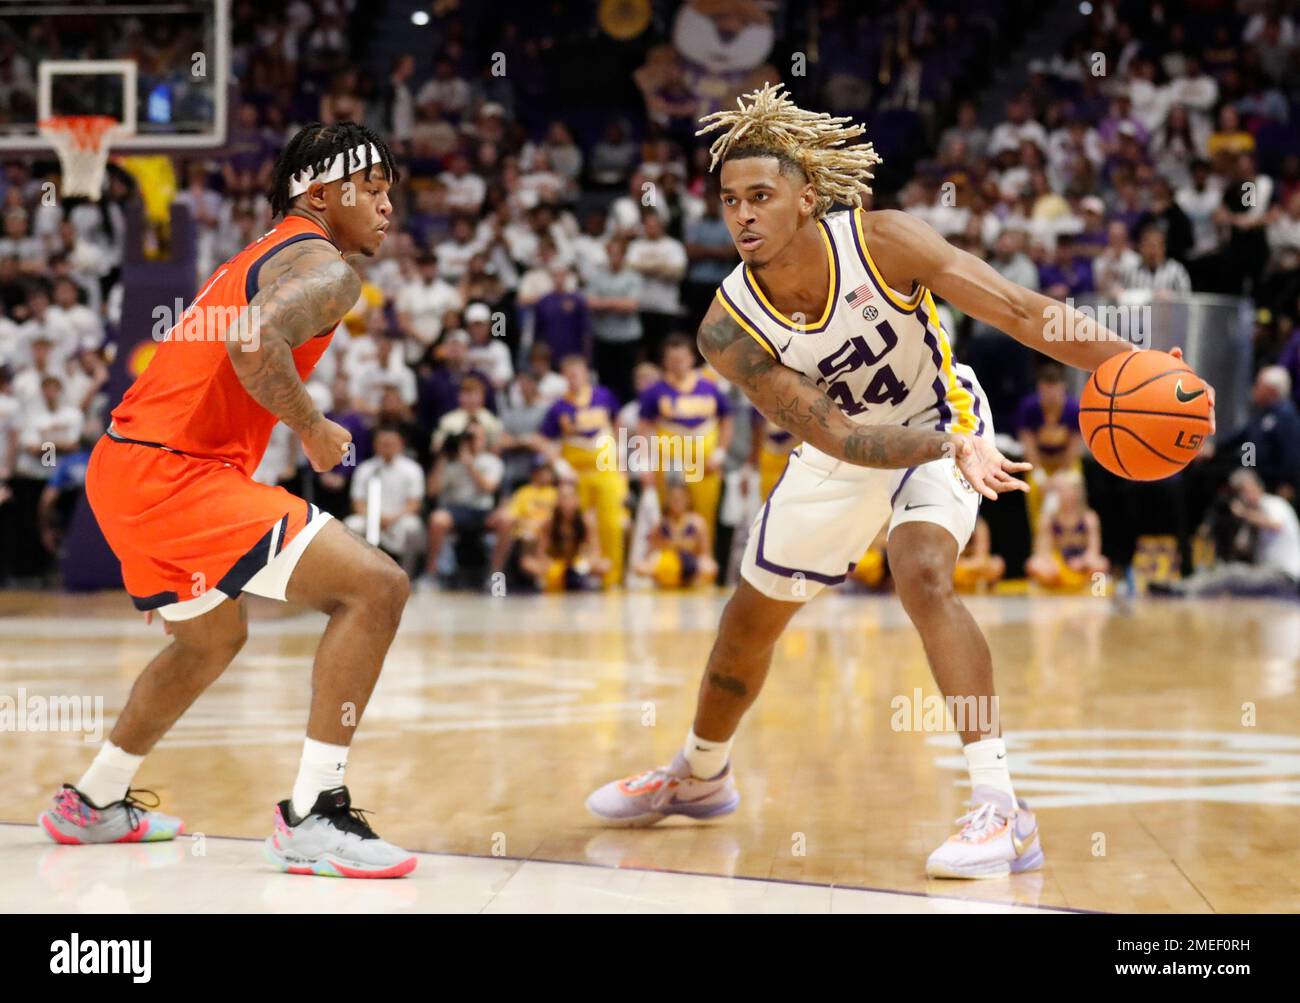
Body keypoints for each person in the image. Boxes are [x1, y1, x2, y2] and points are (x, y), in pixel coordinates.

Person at [586, 83, 1215, 879]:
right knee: (746, 624)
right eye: (729, 200)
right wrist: (938, 448)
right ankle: (700, 773)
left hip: (949, 415)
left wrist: (1133, 364)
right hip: (860, 450)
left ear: (806, 197)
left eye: (761, 196)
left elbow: (1022, 311)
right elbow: (834, 432)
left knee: (921, 573)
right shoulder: (725, 326)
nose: (741, 214)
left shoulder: (884, 241)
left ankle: (1002, 809)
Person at [42, 122, 418, 879]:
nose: (386, 207)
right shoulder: (327, 266)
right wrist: (310, 427)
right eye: (370, 189)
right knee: (375, 587)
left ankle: (93, 800)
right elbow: (252, 341)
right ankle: (316, 811)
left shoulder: (261, 251)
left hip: (122, 467)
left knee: (210, 639)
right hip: (177, 473)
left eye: (389, 193)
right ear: (319, 193)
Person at [539, 355, 628, 585]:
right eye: (568, 375)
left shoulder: (603, 396)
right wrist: (557, 463)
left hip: (606, 470)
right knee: (577, 523)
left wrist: (621, 450)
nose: (574, 379)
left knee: (611, 523)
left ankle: (613, 577)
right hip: (576, 474)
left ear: (585, 374)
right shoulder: (559, 407)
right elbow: (543, 439)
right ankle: (577, 574)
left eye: (577, 374)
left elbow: (618, 422)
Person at [345, 425, 427, 577]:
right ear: (375, 445)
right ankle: (358, 575)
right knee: (352, 525)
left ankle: (406, 574)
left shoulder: (412, 469)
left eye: (391, 444)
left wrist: (392, 519)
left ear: (401, 444)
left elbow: (414, 503)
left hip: (399, 519)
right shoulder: (365, 469)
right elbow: (358, 502)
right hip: (370, 518)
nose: (387, 447)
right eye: (383, 444)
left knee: (413, 527)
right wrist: (375, 518)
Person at [1024, 473, 1109, 589]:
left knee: (1100, 564)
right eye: (1060, 490)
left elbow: (1094, 551)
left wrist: (1082, 562)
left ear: (1077, 492)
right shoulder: (1047, 519)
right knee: (1034, 565)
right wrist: (1057, 564)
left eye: (1068, 490)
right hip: (1057, 566)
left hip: (1082, 564)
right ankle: (1049, 589)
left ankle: (1097, 593)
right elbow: (1042, 551)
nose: (1065, 494)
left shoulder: (1089, 518)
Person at [633, 480, 719, 588]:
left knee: (710, 567)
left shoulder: (697, 522)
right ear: (668, 500)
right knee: (641, 567)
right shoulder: (661, 523)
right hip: (668, 565)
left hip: (691, 563)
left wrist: (688, 547)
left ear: (688, 499)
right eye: (673, 498)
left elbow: (706, 554)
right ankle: (670, 580)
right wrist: (667, 546)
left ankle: (689, 580)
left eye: (680, 498)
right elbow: (651, 553)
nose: (677, 501)